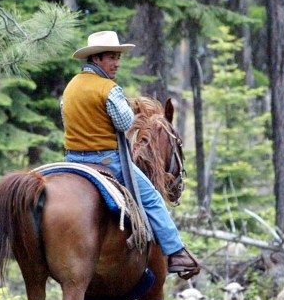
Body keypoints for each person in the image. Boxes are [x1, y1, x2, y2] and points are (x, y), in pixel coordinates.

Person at [61, 31, 200, 279]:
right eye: (111, 58)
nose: (116, 63)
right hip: (107, 161)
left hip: (72, 161)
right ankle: (176, 252)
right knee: (154, 200)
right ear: (96, 59)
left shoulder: (70, 87)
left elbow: (67, 116)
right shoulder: (108, 88)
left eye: (118, 58)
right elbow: (125, 123)